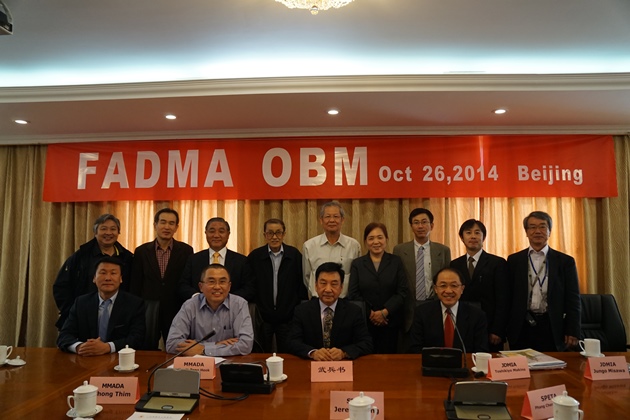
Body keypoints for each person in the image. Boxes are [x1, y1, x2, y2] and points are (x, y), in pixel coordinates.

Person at [507, 211, 581, 352]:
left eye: (542, 227)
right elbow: (507, 296)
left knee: (552, 364)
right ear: (526, 232)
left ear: (549, 231)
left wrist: (573, 330)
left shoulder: (565, 262)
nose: (537, 231)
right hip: (522, 325)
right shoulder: (514, 260)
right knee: (522, 364)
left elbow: (573, 299)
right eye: (532, 227)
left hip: (552, 325)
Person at [53, 213, 134, 330]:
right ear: (95, 232)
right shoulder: (81, 256)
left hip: (118, 317)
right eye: (103, 229)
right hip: (83, 316)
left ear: (118, 233)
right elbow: (61, 286)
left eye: (113, 229)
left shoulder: (127, 258)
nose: (108, 233)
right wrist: (73, 310)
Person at [131, 208, 194, 350]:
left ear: (176, 227)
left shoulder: (186, 251)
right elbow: (135, 284)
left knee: (176, 349)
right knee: (146, 349)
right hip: (148, 309)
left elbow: (187, 280)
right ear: (155, 225)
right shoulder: (141, 251)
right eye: (163, 222)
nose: (167, 227)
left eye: (171, 223)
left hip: (175, 308)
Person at [57, 256, 145, 355]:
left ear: (120, 279)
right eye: (103, 273)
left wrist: (108, 347)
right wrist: (80, 347)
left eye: (113, 273)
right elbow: (64, 335)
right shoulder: (81, 303)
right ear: (94, 278)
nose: (108, 278)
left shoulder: (134, 304)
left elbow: (137, 338)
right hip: (87, 358)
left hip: (119, 359)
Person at [287, 262, 373, 360]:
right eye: (323, 283)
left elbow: (366, 343)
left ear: (341, 287)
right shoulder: (302, 310)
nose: (328, 289)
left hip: (342, 365)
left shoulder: (353, 311)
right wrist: (313, 352)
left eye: (334, 284)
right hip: (311, 365)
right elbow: (292, 342)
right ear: (316, 286)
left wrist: (344, 352)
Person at [393, 208, 451, 352]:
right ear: (411, 226)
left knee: (434, 348)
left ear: (432, 225)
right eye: (416, 222)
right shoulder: (399, 250)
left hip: (434, 305)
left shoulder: (443, 250)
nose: (420, 226)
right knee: (409, 351)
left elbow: (447, 279)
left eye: (424, 222)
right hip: (409, 308)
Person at [247, 218, 308, 352]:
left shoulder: (294, 255)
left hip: (288, 317)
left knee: (288, 353)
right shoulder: (255, 257)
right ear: (265, 235)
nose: (274, 237)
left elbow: (301, 285)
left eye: (278, 233)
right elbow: (251, 285)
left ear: (284, 234)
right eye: (270, 233)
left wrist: (295, 309)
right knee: (262, 352)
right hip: (263, 317)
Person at [166, 264, 254, 356]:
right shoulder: (190, 306)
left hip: (229, 362)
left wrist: (203, 349)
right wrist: (216, 345)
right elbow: (171, 343)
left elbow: (246, 345)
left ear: (229, 286)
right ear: (201, 287)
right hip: (197, 363)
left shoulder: (239, 305)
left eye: (222, 282)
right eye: (211, 282)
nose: (217, 287)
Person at [348, 222, 408, 354]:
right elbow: (353, 293)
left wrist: (384, 312)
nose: (376, 242)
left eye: (380, 237)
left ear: (386, 239)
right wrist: (371, 314)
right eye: (371, 238)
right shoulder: (358, 264)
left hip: (391, 322)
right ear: (365, 242)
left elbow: (402, 292)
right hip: (365, 322)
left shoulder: (396, 261)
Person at [450, 219, 508, 352]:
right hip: (462, 324)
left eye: (477, 233)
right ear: (462, 237)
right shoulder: (455, 264)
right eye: (468, 233)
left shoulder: (497, 263)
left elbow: (503, 299)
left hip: (489, 325)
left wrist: (497, 329)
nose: (473, 236)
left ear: (484, 237)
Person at [409, 267, 488, 353]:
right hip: (431, 361)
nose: (448, 291)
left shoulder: (477, 315)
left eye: (454, 286)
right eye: (443, 286)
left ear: (462, 289)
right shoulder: (422, 313)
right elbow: (415, 349)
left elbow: (481, 351)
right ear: (435, 289)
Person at [178, 217, 255, 302]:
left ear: (228, 234)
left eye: (221, 231)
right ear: (206, 233)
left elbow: (249, 288)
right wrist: (198, 297)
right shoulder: (194, 259)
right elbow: (183, 285)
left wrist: (228, 299)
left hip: (232, 307)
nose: (216, 235)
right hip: (199, 307)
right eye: (212, 231)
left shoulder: (241, 261)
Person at [302, 201, 361, 298]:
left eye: (336, 216)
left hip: (344, 301)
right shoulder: (309, 246)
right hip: (318, 300)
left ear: (342, 220)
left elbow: (356, 277)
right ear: (321, 220)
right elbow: (306, 277)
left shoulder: (354, 246)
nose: (332, 220)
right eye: (327, 216)